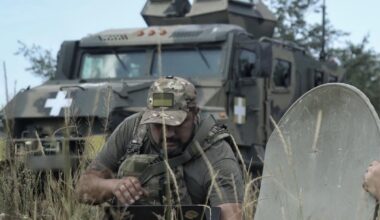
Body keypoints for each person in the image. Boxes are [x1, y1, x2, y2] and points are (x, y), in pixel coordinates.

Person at [76, 76, 243, 220]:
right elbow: (83, 189)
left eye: (177, 124)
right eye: (158, 125)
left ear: (194, 114)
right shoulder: (133, 129)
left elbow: (231, 214)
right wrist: (113, 186)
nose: (168, 133)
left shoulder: (216, 152)